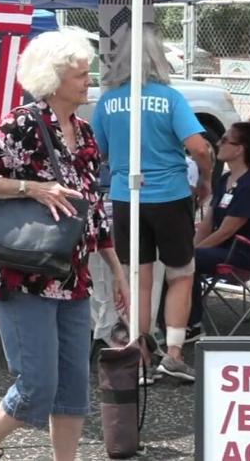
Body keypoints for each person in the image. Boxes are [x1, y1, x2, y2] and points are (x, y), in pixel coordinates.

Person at [0, 27, 129, 461]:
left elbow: (94, 210)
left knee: (73, 388)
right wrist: (32, 189)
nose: (89, 81)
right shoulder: (22, 124)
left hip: (74, 279)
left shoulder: (87, 133)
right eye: (80, 75)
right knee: (37, 385)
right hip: (25, 274)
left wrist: (118, 272)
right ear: (53, 80)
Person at [91, 24, 213, 384]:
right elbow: (200, 147)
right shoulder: (170, 98)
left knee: (137, 278)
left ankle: (139, 356)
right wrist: (205, 179)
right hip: (171, 194)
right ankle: (173, 353)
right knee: (181, 274)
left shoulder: (107, 101)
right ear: (159, 58)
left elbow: (97, 151)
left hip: (125, 196)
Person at [190, 121, 250, 324]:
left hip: (243, 253)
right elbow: (207, 222)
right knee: (178, 256)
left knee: (185, 261)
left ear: (239, 149)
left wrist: (190, 252)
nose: (218, 144)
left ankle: (191, 321)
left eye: (224, 140)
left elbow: (225, 231)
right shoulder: (225, 179)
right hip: (220, 249)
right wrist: (190, 246)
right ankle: (176, 317)